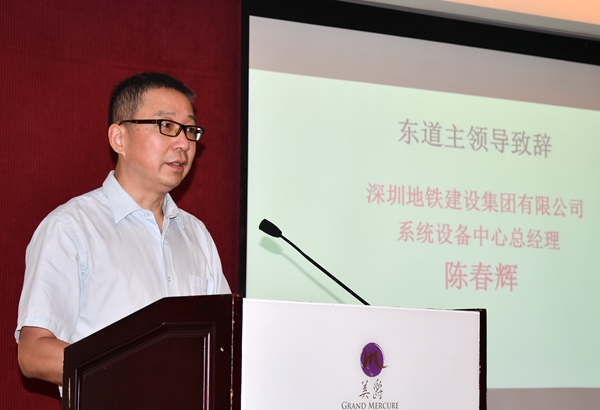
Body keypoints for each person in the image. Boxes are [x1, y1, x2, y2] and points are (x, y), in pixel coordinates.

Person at [15, 72, 231, 386]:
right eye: (166, 125)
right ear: (119, 138)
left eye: (189, 129)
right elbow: (33, 352)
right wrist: (136, 368)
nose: (184, 143)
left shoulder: (196, 235)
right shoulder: (71, 228)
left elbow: (225, 341)